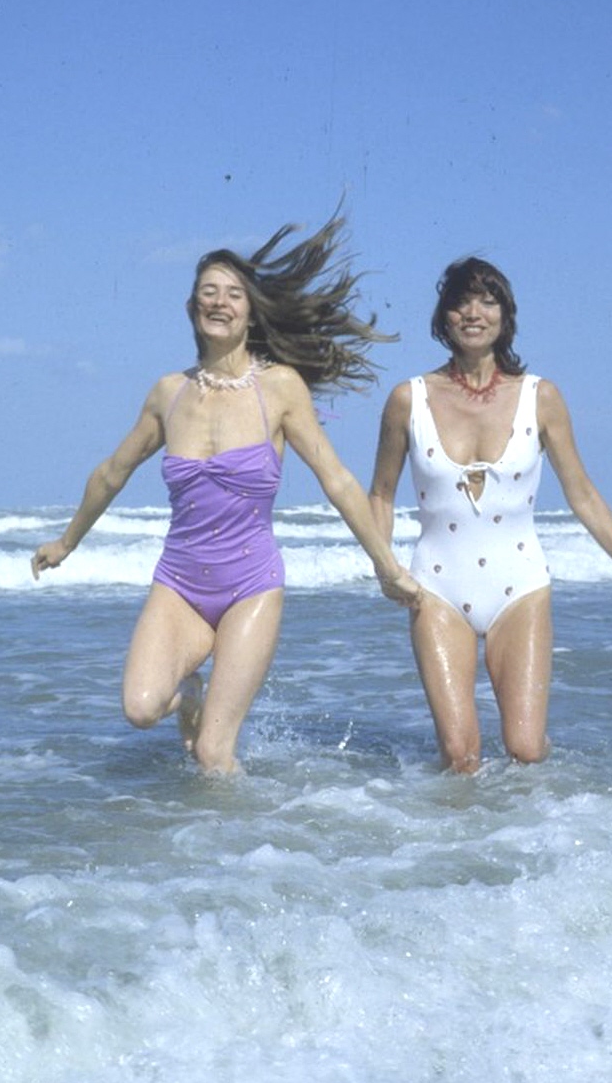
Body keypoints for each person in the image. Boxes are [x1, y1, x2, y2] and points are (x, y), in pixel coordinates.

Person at [31, 216, 420, 772]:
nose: (220, 302)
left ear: (251, 311)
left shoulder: (281, 387)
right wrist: (67, 542)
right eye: (208, 293)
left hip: (250, 585)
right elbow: (112, 473)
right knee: (141, 710)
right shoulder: (169, 393)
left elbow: (335, 478)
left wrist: (387, 564)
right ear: (192, 308)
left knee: (214, 753)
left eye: (233, 294)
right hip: (180, 583)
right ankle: (190, 693)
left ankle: (234, 854)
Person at [369, 255, 612, 773]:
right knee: (460, 756)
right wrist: (385, 566)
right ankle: (451, 844)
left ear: (504, 316)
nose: (474, 313)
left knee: (526, 750)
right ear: (443, 317)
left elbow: (581, 492)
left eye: (487, 301)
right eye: (460, 302)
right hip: (437, 587)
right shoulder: (409, 399)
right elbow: (380, 494)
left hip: (520, 584)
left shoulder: (542, 397)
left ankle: (532, 835)